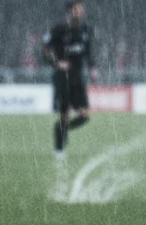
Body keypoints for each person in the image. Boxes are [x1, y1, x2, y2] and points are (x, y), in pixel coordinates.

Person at [44, 0, 97, 159]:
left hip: (78, 77)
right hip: (62, 77)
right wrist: (57, 63)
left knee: (85, 115)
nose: (81, 12)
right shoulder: (58, 30)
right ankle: (59, 149)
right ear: (70, 11)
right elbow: (46, 50)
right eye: (78, 9)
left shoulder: (85, 30)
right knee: (64, 115)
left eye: (82, 9)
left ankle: (63, 130)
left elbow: (88, 52)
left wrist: (92, 69)